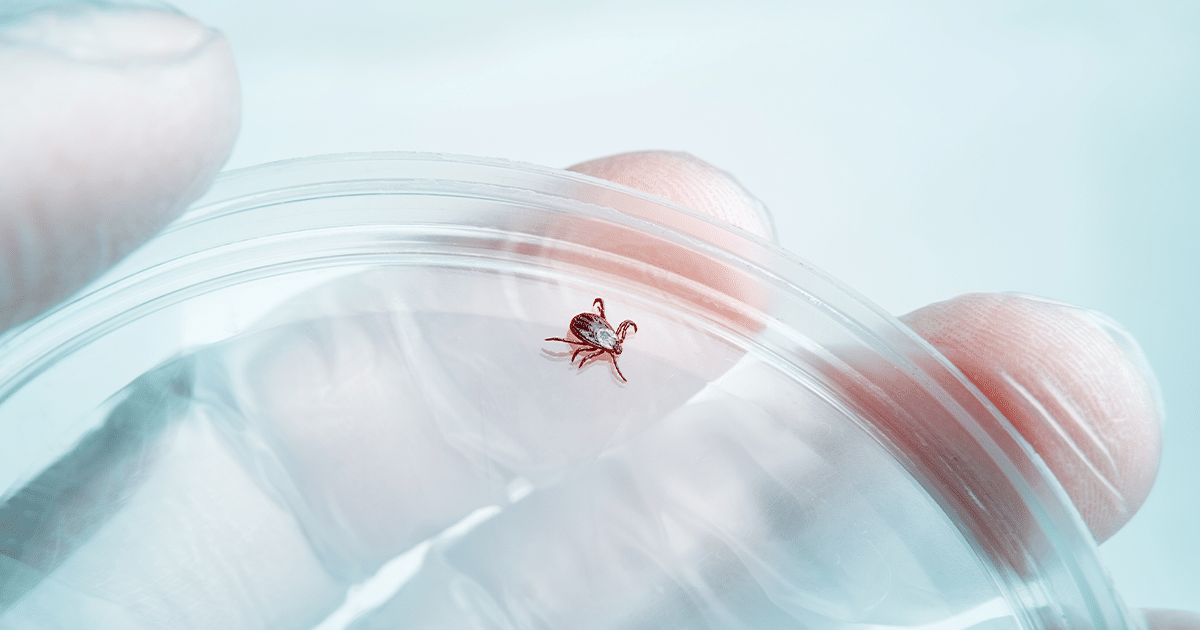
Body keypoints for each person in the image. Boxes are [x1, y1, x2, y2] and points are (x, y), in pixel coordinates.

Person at [0, 3, 1195, 629]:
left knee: (630, 295)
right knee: (623, 292)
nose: (595, 339)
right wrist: (590, 344)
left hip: (594, 336)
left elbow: (587, 336)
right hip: (580, 340)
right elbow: (578, 337)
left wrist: (593, 342)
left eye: (599, 335)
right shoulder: (587, 335)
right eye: (596, 334)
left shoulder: (596, 334)